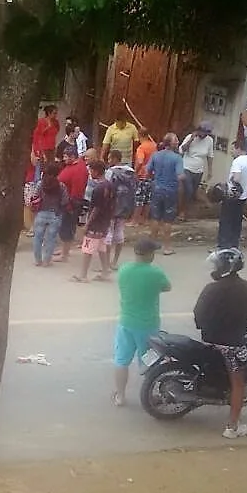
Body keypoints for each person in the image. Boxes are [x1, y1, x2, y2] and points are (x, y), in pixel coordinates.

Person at [193, 248, 247, 439]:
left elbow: (198, 317)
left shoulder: (210, 288)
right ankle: (232, 427)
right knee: (238, 384)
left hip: (209, 340)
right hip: (232, 345)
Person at [112, 238, 171, 407]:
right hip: (148, 325)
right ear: (150, 254)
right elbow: (167, 287)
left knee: (121, 360)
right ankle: (150, 394)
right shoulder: (155, 273)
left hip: (126, 321)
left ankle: (120, 396)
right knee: (150, 361)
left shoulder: (124, 270)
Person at [71, 160, 115, 283]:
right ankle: (105, 272)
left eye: (91, 170)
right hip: (105, 221)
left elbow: (96, 208)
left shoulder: (98, 189)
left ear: (95, 171)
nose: (90, 173)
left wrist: (87, 223)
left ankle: (83, 275)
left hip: (96, 223)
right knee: (102, 247)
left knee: (88, 248)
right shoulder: (110, 185)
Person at [145, 132, 183, 255]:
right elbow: (180, 176)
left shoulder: (156, 155)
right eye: (176, 140)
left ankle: (151, 245)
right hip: (170, 190)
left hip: (157, 189)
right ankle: (167, 247)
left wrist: (155, 179)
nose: (177, 142)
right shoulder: (177, 158)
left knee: (155, 217)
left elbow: (147, 171)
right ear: (171, 143)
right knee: (168, 219)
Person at [217, 140, 247, 250]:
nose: (232, 152)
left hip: (231, 196)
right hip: (242, 197)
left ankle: (223, 245)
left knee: (226, 221)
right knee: (236, 222)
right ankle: (234, 245)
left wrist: (228, 185)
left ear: (239, 148)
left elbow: (237, 178)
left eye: (233, 149)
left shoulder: (237, 161)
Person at [105, 150, 137, 269]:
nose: (108, 161)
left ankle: (106, 262)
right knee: (119, 233)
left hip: (112, 206)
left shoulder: (110, 172)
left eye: (109, 158)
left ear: (114, 158)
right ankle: (115, 261)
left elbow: (106, 188)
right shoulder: (131, 172)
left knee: (108, 234)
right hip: (125, 206)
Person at [31, 162, 66, 267]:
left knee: (38, 237)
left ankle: (38, 260)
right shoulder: (61, 186)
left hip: (41, 212)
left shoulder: (41, 184)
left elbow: (34, 196)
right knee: (51, 239)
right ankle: (47, 261)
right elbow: (65, 201)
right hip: (55, 214)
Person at [57, 146, 88, 262]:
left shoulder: (78, 169)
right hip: (65, 201)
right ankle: (64, 250)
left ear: (73, 157)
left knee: (67, 227)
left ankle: (65, 254)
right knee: (65, 227)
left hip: (70, 203)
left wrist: (70, 205)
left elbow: (77, 190)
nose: (64, 158)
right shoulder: (72, 166)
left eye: (66, 156)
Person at [178, 121, 214, 221]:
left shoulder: (209, 140)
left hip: (199, 170)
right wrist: (191, 139)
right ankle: (182, 212)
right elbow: (182, 150)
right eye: (203, 132)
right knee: (188, 190)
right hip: (187, 167)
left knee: (193, 192)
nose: (204, 135)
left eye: (206, 133)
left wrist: (210, 170)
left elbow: (210, 155)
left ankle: (187, 211)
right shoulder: (190, 137)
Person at [129, 127, 157, 226]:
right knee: (148, 199)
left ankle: (134, 221)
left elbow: (140, 161)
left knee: (139, 199)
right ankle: (144, 219)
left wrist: (135, 172)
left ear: (139, 135)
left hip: (142, 175)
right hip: (151, 175)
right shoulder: (154, 145)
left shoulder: (141, 148)